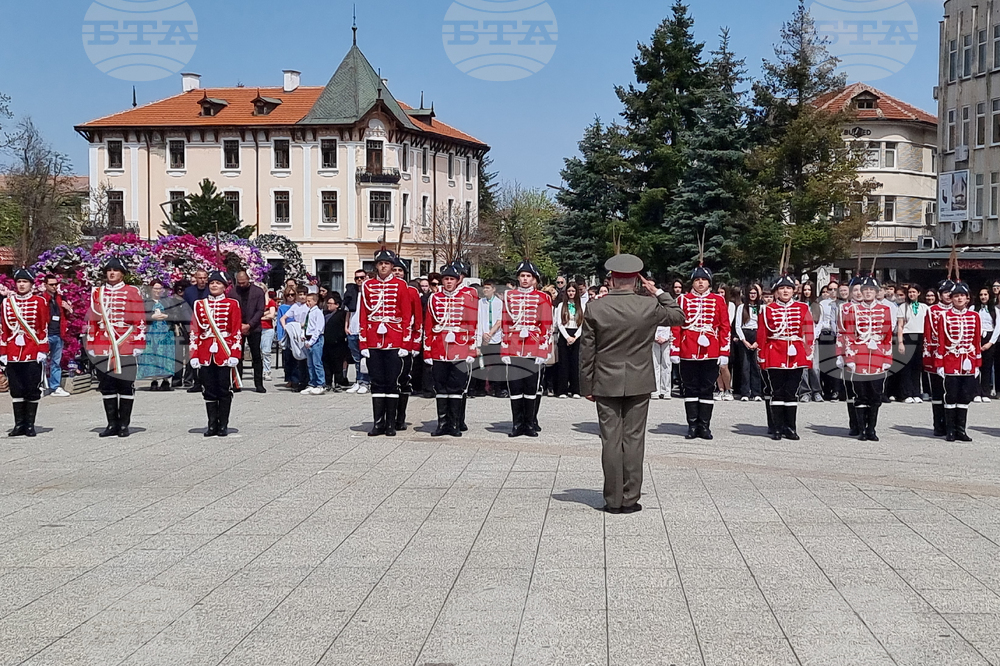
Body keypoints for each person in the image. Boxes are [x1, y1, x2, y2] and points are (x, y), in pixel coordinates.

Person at [580, 253, 684, 514]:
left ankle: (612, 500)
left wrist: (586, 386)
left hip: (605, 380)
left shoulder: (595, 307)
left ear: (612, 279)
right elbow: (678, 316)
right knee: (634, 439)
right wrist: (657, 291)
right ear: (637, 280)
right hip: (639, 380)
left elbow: (586, 351)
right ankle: (630, 498)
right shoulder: (648, 306)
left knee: (611, 440)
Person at [87, 257, 146, 438]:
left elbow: (140, 320)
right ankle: (111, 424)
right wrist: (90, 343)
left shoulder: (131, 291)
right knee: (107, 385)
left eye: (116, 270)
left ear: (122, 274)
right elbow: (92, 320)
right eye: (109, 270)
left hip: (125, 343)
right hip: (103, 344)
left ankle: (123, 425)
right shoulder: (97, 293)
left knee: (125, 385)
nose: (112, 273)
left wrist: (139, 343)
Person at [671, 265, 731, 440]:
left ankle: (704, 426)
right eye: (697, 280)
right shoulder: (682, 300)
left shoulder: (718, 301)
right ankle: (692, 425)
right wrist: (675, 349)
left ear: (709, 283)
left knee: (706, 388)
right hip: (688, 349)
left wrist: (724, 351)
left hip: (711, 350)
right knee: (690, 388)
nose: (700, 283)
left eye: (703, 280)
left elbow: (724, 327)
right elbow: (676, 326)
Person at [359, 248, 413, 436]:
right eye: (380, 263)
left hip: (394, 338)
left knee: (392, 382)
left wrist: (406, 344)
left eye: (387, 264)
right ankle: (378, 422)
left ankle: (391, 423)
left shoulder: (400, 286)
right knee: (377, 382)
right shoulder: (367, 286)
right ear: (376, 266)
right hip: (374, 340)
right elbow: (364, 316)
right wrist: (363, 344)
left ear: (392, 266)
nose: (383, 266)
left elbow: (407, 316)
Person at [424, 263, 478, 437]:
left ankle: (454, 424)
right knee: (440, 387)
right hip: (439, 347)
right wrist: (427, 351)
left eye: (451, 279)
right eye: (446, 279)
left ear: (457, 281)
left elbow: (472, 325)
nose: (448, 282)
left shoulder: (466, 298)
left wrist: (471, 350)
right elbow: (429, 326)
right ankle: (442, 423)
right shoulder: (434, 298)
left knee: (456, 387)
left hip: (460, 347)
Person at [758, 275, 814, 441]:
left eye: (788, 288)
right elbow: (762, 335)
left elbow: (809, 332)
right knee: (777, 391)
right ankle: (776, 428)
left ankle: (790, 427)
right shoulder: (767, 309)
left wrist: (808, 354)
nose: (785, 291)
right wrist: (761, 357)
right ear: (776, 292)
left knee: (791, 391)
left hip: (796, 352)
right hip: (775, 352)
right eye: (781, 288)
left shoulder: (803, 308)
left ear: (793, 291)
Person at [502, 260, 553, 438]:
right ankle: (517, 424)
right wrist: (505, 351)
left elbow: (546, 325)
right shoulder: (509, 297)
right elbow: (506, 325)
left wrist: (543, 351)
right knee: (515, 388)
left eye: (528, 276)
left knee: (531, 387)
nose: (524, 279)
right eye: (522, 276)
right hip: (515, 347)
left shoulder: (543, 298)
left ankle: (529, 423)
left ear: (534, 279)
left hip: (533, 345)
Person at [841, 276, 893, 441]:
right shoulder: (853, 310)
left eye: (871, 290)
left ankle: (872, 429)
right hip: (859, 354)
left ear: (877, 292)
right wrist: (849, 357)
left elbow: (887, 336)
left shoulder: (884, 310)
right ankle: (862, 429)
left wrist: (887, 358)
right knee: (861, 394)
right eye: (866, 290)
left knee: (876, 394)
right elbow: (848, 334)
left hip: (877, 354)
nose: (868, 292)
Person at [190, 271, 242, 436]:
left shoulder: (232, 304)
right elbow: (194, 331)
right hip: (205, 352)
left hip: (224, 351)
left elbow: (236, 330)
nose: (214, 285)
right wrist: (194, 355)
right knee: (208, 388)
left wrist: (235, 353)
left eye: (218, 283)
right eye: (212, 282)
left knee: (224, 388)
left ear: (224, 287)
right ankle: (212, 424)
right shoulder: (199, 304)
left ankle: (223, 425)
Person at [2, 268, 49, 437]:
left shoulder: (39, 302)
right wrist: (3, 352)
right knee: (16, 388)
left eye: (25, 282)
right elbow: (3, 329)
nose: (21, 285)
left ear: (31, 284)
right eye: (19, 282)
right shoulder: (7, 303)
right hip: (13, 350)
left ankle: (30, 425)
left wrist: (42, 349)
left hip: (32, 348)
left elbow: (43, 327)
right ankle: (18, 425)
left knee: (31, 387)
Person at [937, 282, 982, 441]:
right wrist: (939, 363)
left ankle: (961, 430)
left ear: (967, 298)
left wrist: (977, 364)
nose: (959, 298)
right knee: (951, 395)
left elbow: (976, 342)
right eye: (956, 296)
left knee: (965, 395)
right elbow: (941, 341)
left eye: (962, 296)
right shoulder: (944, 316)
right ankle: (950, 431)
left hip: (968, 360)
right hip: (951, 359)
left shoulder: (974, 316)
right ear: (951, 299)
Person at [392, 258, 423, 431]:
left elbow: (417, 320)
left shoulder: (411, 291)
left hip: (406, 342)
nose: (397, 272)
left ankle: (400, 417)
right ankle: (388, 416)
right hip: (389, 340)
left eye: (400, 270)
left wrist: (415, 345)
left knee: (404, 380)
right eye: (394, 269)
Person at [924, 280, 954, 436]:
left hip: (953, 356)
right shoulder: (932, 310)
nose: (948, 296)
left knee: (952, 391)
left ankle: (952, 425)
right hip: (936, 356)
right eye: (945, 293)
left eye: (950, 293)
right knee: (937, 391)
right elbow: (927, 335)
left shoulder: (959, 311)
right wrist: (928, 357)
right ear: (939, 295)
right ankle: (938, 424)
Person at [138, 280, 176, 391]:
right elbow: (141, 316)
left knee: (166, 356)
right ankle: (154, 380)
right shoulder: (146, 302)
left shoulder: (168, 301)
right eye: (155, 288)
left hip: (166, 333)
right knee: (153, 356)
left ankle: (165, 380)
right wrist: (151, 317)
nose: (157, 291)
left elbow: (175, 314)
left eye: (159, 288)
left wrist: (166, 315)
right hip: (151, 333)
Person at [233, 271, 266, 394]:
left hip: (254, 328)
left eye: (244, 282)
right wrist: (239, 325)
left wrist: (249, 325)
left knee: (256, 356)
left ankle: (259, 384)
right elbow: (231, 310)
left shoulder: (258, 292)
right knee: (237, 356)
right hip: (238, 328)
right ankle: (236, 383)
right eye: (239, 283)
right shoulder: (233, 292)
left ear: (248, 280)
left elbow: (260, 310)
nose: (241, 285)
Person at [898, 284, 928, 404]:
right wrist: (900, 342)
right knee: (907, 366)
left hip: (921, 336)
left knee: (918, 366)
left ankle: (916, 392)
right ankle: (907, 393)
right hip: (908, 336)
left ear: (919, 293)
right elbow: (900, 326)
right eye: (910, 292)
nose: (912, 294)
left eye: (914, 292)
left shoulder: (924, 307)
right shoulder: (903, 307)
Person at [41, 275, 71, 397]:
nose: (54, 287)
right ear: (45, 285)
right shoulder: (42, 299)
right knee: (41, 362)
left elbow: (67, 315)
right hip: (46, 334)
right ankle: (41, 386)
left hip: (58, 334)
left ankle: (55, 387)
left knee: (56, 362)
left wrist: (68, 308)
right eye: (51, 284)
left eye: (56, 284)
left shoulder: (60, 298)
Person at [473, 279, 503, 397]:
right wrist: (483, 335)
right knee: (481, 364)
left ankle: (496, 388)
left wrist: (490, 333)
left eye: (488, 288)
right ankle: (480, 388)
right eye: (484, 288)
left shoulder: (499, 303)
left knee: (496, 364)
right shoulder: (480, 302)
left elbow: (499, 320)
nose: (485, 290)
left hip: (495, 337)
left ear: (493, 289)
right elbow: (479, 319)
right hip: (483, 337)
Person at [554, 284, 584, 398]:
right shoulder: (561, 305)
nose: (571, 293)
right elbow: (559, 323)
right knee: (564, 363)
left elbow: (582, 323)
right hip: (564, 334)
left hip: (576, 334)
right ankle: (562, 390)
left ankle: (575, 389)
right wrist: (567, 337)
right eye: (569, 291)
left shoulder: (581, 305)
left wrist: (575, 337)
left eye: (573, 291)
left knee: (575, 363)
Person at [182, 269, 210, 393]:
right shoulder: (189, 291)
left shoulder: (211, 290)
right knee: (193, 354)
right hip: (192, 326)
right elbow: (185, 308)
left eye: (204, 278)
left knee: (206, 353)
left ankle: (207, 381)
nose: (202, 280)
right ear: (195, 278)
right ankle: (195, 382)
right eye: (200, 278)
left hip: (208, 327)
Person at [735, 284, 764, 402]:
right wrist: (744, 340)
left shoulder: (761, 307)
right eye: (750, 293)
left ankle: (756, 392)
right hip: (745, 335)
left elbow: (763, 326)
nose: (752, 295)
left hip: (757, 335)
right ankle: (745, 392)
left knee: (756, 366)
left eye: (754, 293)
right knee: (745, 366)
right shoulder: (742, 307)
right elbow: (738, 326)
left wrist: (758, 341)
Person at [344, 269, 370, 394]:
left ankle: (366, 382)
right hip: (353, 330)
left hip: (365, 331)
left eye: (362, 277)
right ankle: (358, 381)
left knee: (365, 358)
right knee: (356, 358)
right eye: (357, 278)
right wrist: (346, 326)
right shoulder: (352, 293)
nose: (359, 280)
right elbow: (349, 311)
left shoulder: (369, 293)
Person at [972, 286, 1000, 401]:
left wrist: (990, 343)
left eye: (985, 294)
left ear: (989, 296)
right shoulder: (973, 308)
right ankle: (976, 392)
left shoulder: (995, 310)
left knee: (987, 367)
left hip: (989, 338)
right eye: (981, 295)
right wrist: (975, 342)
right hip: (975, 338)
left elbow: (998, 327)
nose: (983, 297)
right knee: (975, 367)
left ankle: (985, 392)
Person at [323, 294, 350, 391]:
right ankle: (328, 382)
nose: (328, 305)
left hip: (338, 343)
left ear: (337, 305)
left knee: (337, 364)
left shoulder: (342, 314)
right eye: (328, 303)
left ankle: (338, 382)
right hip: (326, 342)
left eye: (331, 303)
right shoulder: (324, 313)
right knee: (327, 364)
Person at [301, 292, 325, 395]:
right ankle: (312, 383)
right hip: (308, 339)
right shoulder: (309, 312)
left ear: (315, 301)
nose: (307, 303)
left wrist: (312, 341)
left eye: (309, 301)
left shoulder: (318, 312)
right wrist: (303, 335)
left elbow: (318, 329)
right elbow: (306, 325)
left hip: (316, 340)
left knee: (317, 363)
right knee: (310, 364)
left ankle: (321, 384)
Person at [260, 290, 277, 382]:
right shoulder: (255, 301)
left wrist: (259, 316)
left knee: (266, 351)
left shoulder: (271, 302)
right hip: (257, 328)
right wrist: (266, 314)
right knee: (258, 352)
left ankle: (267, 371)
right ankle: (259, 371)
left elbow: (272, 315)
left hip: (267, 328)